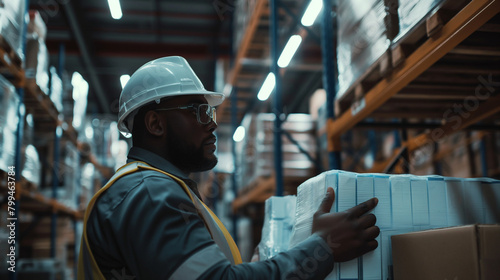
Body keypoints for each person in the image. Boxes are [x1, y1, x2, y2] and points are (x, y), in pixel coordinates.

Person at [78, 56, 380, 279]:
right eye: (198, 111)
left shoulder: (159, 189)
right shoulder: (149, 194)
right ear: (155, 124)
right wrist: (323, 248)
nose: (211, 123)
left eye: (209, 111)